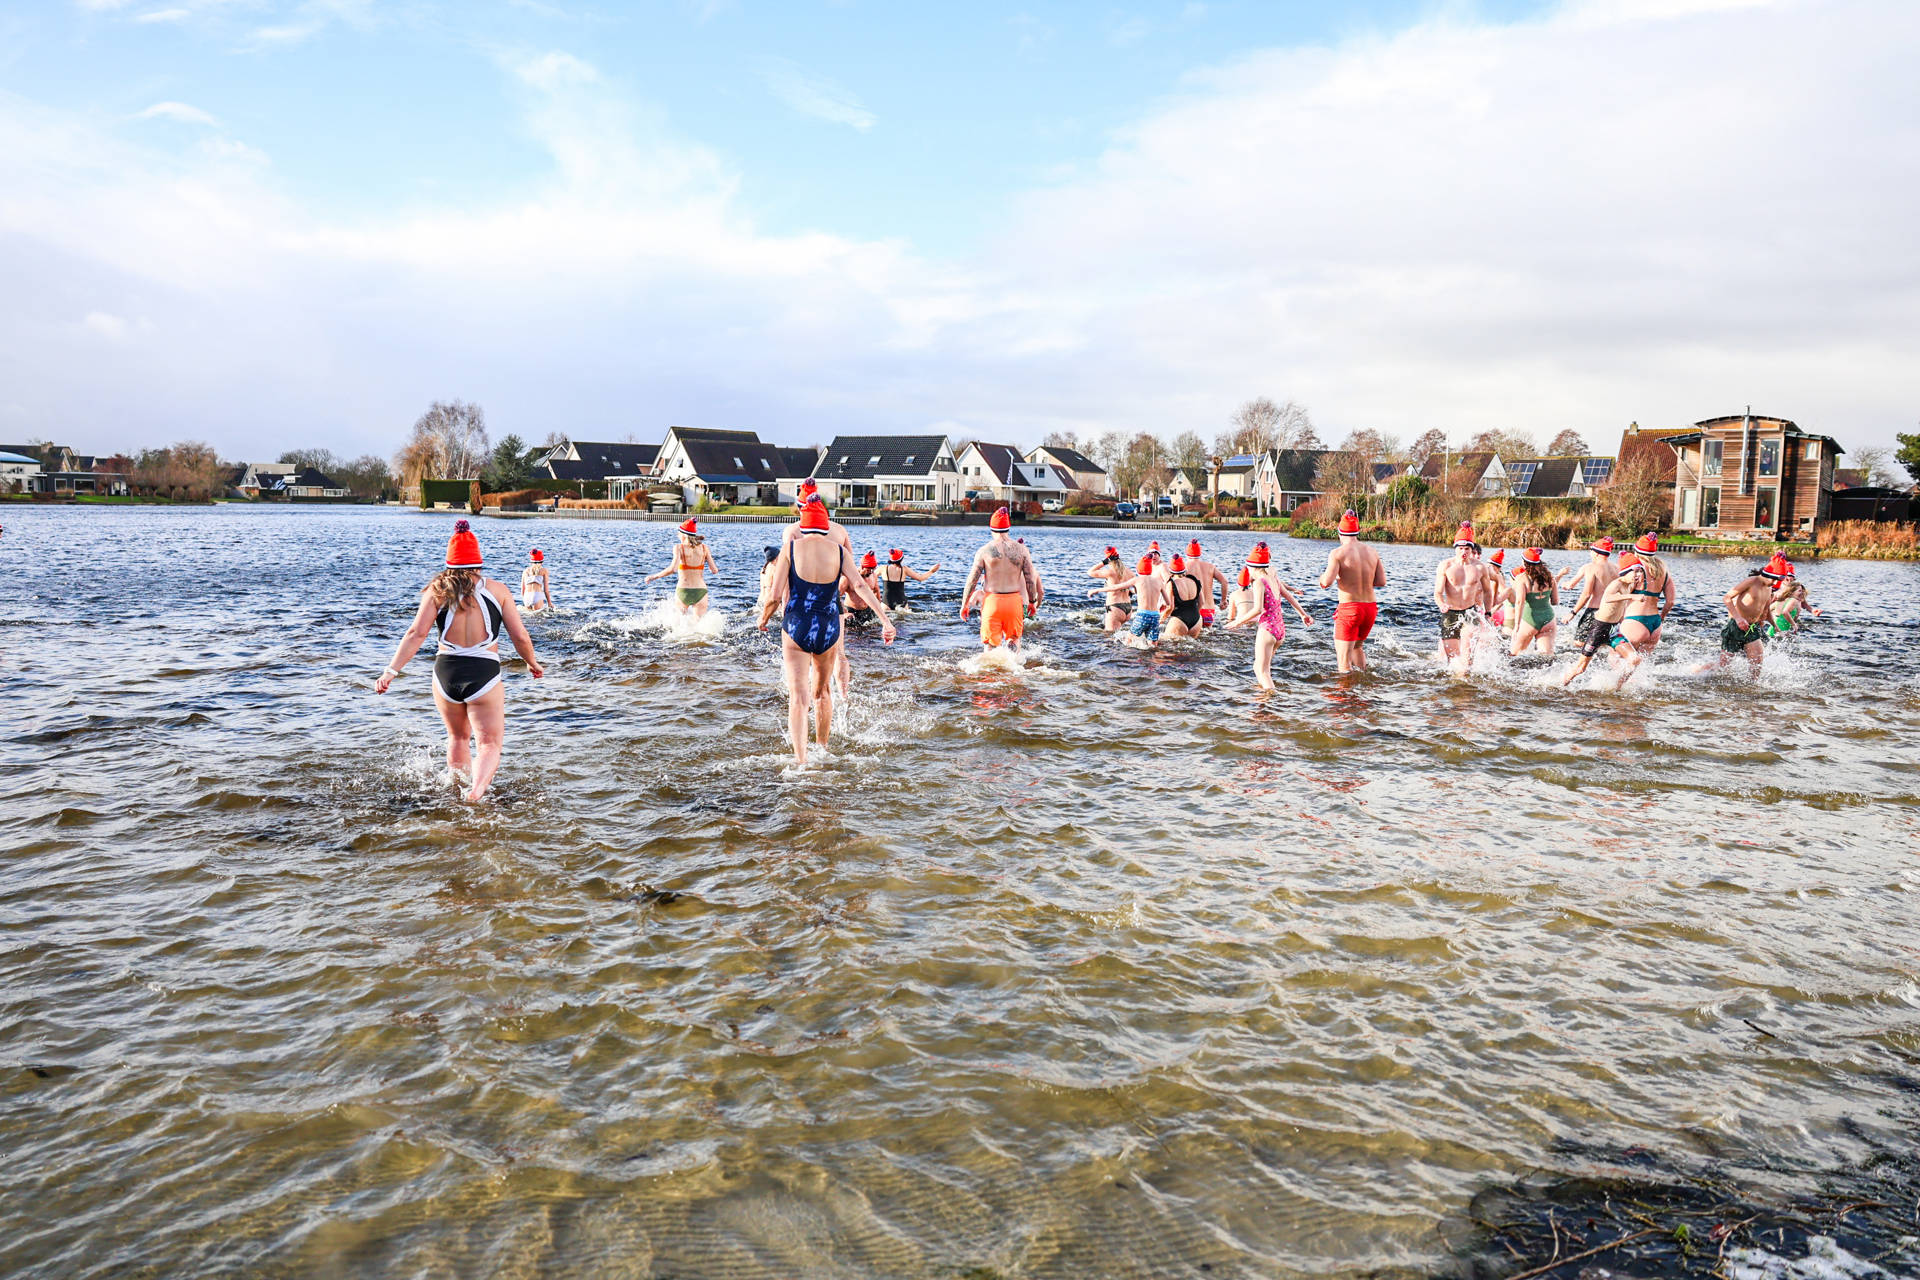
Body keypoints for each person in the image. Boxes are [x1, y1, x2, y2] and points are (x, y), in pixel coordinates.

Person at [375, 520, 544, 803]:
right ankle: (475, 793)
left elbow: (416, 634)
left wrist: (390, 671)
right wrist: (532, 663)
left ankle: (456, 792)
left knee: (457, 738)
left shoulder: (437, 590)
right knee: (489, 743)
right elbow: (520, 636)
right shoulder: (498, 590)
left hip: (445, 675)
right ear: (478, 560)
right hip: (483, 674)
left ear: (450, 561)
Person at [757, 499, 894, 766]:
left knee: (798, 698)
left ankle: (801, 762)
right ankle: (822, 749)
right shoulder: (840, 552)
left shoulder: (791, 548)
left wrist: (763, 619)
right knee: (822, 693)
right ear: (825, 525)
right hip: (828, 627)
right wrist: (885, 621)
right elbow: (859, 585)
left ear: (804, 524)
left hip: (797, 625)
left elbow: (774, 596)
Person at [1227, 542, 1313, 691]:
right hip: (1280, 629)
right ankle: (1263, 699)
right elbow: (1287, 595)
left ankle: (1271, 698)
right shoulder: (1272, 575)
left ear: (1252, 567)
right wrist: (1303, 614)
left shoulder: (1259, 583)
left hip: (1267, 629)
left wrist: (1236, 623)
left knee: (1262, 672)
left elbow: (1258, 609)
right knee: (1260, 668)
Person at [959, 507, 1041, 650]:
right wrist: (1032, 602)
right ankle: (1012, 660)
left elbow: (972, 580)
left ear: (992, 528)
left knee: (990, 647)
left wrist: (964, 605)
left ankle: (991, 664)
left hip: (992, 602)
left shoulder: (983, 551)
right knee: (1014, 640)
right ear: (1008, 528)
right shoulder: (1022, 550)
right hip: (1013, 602)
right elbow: (1030, 579)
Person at [1318, 510, 1385, 674]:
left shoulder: (1337, 553)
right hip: (1370, 608)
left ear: (1339, 532)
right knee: (1357, 647)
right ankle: (1364, 683)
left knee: (1343, 663)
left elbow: (1326, 582)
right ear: (1357, 531)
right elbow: (1381, 582)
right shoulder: (1372, 551)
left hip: (1350, 609)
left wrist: (1322, 578)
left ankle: (1345, 690)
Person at [1696, 554, 1785, 677]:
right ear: (1767, 574)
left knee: (1757, 665)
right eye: (1774, 580)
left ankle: (1752, 687)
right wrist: (1738, 618)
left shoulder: (1769, 588)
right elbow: (1727, 598)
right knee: (1723, 665)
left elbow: (1766, 611)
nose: (1775, 583)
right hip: (1736, 626)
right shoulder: (1751, 581)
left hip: (1752, 628)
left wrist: (1775, 626)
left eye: (1778, 581)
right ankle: (1697, 671)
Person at [1559, 553, 1637, 688]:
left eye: (1640, 571)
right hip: (1598, 629)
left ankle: (1617, 688)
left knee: (1635, 659)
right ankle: (1561, 686)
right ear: (1625, 571)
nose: (1638, 575)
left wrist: (1621, 620)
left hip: (1613, 630)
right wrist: (1631, 597)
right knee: (1580, 669)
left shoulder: (1629, 585)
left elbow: (1622, 606)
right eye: (1635, 572)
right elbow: (1608, 598)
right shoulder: (1615, 584)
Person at [1433, 522, 1485, 676]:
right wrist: (1441, 604)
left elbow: (1488, 591)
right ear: (1455, 548)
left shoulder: (1479, 567)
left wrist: (1487, 611)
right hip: (1450, 613)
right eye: (1460, 548)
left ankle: (1465, 683)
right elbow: (1437, 592)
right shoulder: (1445, 566)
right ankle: (1455, 687)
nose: (1463, 552)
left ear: (1472, 550)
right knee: (1453, 661)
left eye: (1467, 549)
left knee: (1467, 661)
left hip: (1470, 612)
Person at [1090, 553, 1173, 648]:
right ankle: (1152, 658)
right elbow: (1168, 603)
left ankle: (1128, 657)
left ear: (1139, 569)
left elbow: (1115, 587)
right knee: (1153, 645)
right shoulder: (1159, 582)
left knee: (1128, 641)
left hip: (1142, 616)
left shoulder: (1137, 580)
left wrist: (1097, 590)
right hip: (1155, 617)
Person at [1616, 532, 1675, 657]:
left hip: (1634, 620)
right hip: (1655, 625)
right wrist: (1662, 617)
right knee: (1642, 663)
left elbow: (1619, 596)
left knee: (1614, 656)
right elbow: (1670, 602)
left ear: (1637, 552)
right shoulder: (1664, 572)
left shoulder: (1635, 570)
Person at [644, 518, 716, 617]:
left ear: (684, 535)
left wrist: (654, 577)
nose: (678, 535)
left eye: (679, 533)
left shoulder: (679, 548)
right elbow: (714, 570)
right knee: (699, 624)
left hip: (684, 590)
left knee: (679, 623)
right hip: (701, 590)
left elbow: (673, 569)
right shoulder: (704, 548)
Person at [1565, 536, 1619, 653]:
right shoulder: (1617, 568)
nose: (1590, 553)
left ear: (1596, 553)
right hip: (1612, 612)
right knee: (1602, 644)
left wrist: (1572, 613)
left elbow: (1586, 594)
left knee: (1579, 643)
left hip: (1595, 611)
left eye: (1591, 550)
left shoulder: (1591, 567)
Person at [1506, 548, 1559, 656]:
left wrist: (1516, 626)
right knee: (1546, 656)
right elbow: (1555, 601)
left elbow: (1519, 603)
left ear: (1524, 562)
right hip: (1548, 619)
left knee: (1514, 655)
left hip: (1530, 619)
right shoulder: (1550, 577)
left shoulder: (1522, 579)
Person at [1182, 540, 1228, 627]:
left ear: (1187, 553)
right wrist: (1223, 600)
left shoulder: (1184, 567)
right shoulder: (1210, 566)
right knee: (1208, 631)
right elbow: (1224, 582)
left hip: (1194, 610)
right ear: (1200, 553)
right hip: (1209, 611)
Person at [1087, 546, 1132, 632]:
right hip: (1128, 608)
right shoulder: (1129, 571)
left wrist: (1104, 562)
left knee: (1108, 636)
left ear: (1108, 558)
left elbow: (1090, 572)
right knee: (1118, 635)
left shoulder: (1110, 572)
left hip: (1115, 608)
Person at [1163, 554, 1206, 639]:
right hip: (1197, 620)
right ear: (1184, 569)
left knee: (1165, 644)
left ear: (1171, 571)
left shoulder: (1171, 583)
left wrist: (1161, 619)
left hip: (1179, 620)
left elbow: (1170, 607)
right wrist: (1193, 614)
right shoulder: (1195, 580)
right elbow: (1202, 603)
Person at [846, 552, 880, 627]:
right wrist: (844, 612)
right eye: (868, 570)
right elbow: (836, 595)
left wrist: (878, 608)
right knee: (851, 634)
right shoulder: (849, 577)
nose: (871, 572)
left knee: (874, 632)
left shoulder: (873, 575)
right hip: (852, 612)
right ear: (862, 566)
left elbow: (876, 590)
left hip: (868, 610)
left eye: (873, 569)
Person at [518, 548, 554, 613]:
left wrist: (525, 600)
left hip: (527, 596)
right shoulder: (544, 571)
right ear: (541, 561)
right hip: (537, 595)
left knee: (529, 617)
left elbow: (522, 590)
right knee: (539, 617)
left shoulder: (525, 571)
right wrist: (549, 603)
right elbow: (546, 590)